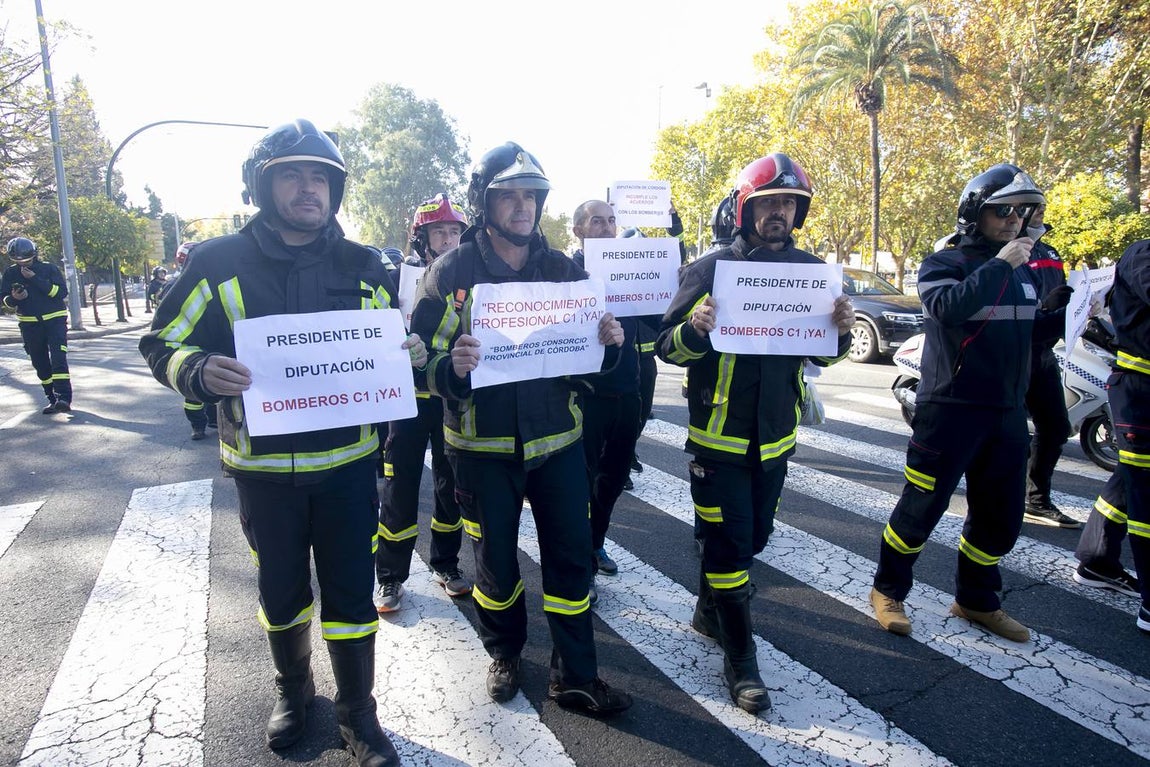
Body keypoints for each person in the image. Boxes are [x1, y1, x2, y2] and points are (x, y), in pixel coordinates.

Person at [139, 119, 427, 766]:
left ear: (335, 189)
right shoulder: (217, 262)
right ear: (262, 186)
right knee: (281, 592)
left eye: (320, 177)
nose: (308, 188)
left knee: (350, 594)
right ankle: (294, 692)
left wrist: (406, 351)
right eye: (291, 175)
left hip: (349, 470)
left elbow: (390, 345)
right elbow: (161, 342)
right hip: (262, 472)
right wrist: (197, 370)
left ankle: (358, 713)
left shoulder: (366, 265)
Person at [409, 141, 632, 715]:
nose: (522, 206)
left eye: (531, 196)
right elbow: (417, 362)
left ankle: (576, 675)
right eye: (508, 196)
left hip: (558, 444)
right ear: (485, 203)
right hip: (480, 449)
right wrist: (450, 368)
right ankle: (504, 653)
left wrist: (609, 345)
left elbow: (591, 367)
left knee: (571, 559)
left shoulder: (562, 270)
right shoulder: (450, 272)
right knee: (496, 565)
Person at [657, 153, 855, 714]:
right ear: (745, 208)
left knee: (754, 540)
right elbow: (666, 346)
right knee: (730, 546)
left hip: (776, 441)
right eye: (768, 202)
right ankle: (741, 660)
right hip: (718, 440)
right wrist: (695, 329)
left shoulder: (813, 272)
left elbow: (823, 354)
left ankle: (708, 610)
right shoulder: (710, 270)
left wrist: (840, 332)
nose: (779, 213)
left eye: (789, 203)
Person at [869, 163, 1068, 644]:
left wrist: (1072, 312)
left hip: (1007, 412)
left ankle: (977, 599)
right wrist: (1002, 264)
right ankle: (888, 590)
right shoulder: (945, 263)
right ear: (975, 214)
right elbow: (947, 308)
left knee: (1001, 515)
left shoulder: (1023, 272)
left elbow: (1028, 334)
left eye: (1021, 213)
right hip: (950, 410)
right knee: (922, 507)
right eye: (1003, 212)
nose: (1014, 221)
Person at [375, 193, 472, 613]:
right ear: (422, 238)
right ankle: (390, 576)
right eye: (439, 232)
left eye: (454, 231)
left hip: (449, 398)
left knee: (451, 488)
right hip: (406, 401)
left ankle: (446, 564)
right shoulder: (396, 279)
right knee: (400, 488)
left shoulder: (471, 281)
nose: (448, 240)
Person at [570, 201, 650, 580]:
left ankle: (595, 541)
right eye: (597, 221)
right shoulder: (566, 274)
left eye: (612, 221)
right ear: (578, 231)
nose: (607, 228)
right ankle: (580, 562)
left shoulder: (630, 269)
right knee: (581, 481)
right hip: (585, 395)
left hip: (627, 392)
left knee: (614, 477)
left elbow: (660, 317)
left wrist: (673, 281)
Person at [1075, 239, 1150, 631]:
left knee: (1130, 479)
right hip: (1141, 390)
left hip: (1139, 390)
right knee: (1145, 491)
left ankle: (1097, 559)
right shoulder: (1144, 254)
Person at [1020, 203, 1079, 528]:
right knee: (1009, 436)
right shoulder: (1009, 249)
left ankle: (1036, 500)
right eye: (1035, 205)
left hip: (1043, 354)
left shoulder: (1050, 252)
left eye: (1043, 203)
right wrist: (1045, 309)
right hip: (1014, 355)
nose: (1043, 209)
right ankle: (1001, 498)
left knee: (1056, 428)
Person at [0, 236, 72, 414]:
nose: (23, 264)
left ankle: (64, 398)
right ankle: (52, 399)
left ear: (34, 254)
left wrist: (34, 279)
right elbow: (4, 299)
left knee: (58, 359)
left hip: (55, 321)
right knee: (39, 363)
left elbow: (61, 292)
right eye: (19, 261)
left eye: (27, 260)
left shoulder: (48, 269)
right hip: (29, 325)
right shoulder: (10, 273)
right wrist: (14, 298)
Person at [158, 241, 219, 440]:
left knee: (206, 382)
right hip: (199, 340)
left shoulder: (174, 283)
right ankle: (202, 424)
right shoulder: (204, 279)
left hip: (196, 340)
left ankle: (203, 423)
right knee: (200, 381)